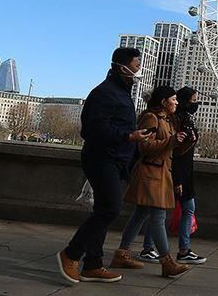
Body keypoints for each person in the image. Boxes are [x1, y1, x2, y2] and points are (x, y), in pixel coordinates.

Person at [57, 47, 152, 284]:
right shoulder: (104, 93)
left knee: (102, 210)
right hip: (101, 158)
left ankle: (93, 265)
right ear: (122, 67)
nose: (138, 69)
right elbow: (92, 129)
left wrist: (133, 139)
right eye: (136, 65)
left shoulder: (121, 93)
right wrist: (129, 137)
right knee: (110, 208)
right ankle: (70, 254)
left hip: (116, 159)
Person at [110, 85, 191, 278]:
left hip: (161, 173)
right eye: (173, 99)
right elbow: (145, 146)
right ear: (164, 102)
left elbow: (170, 148)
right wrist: (172, 140)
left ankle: (122, 253)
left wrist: (186, 142)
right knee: (158, 217)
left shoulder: (168, 120)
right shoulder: (151, 118)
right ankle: (167, 262)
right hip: (151, 173)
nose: (177, 102)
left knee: (140, 215)